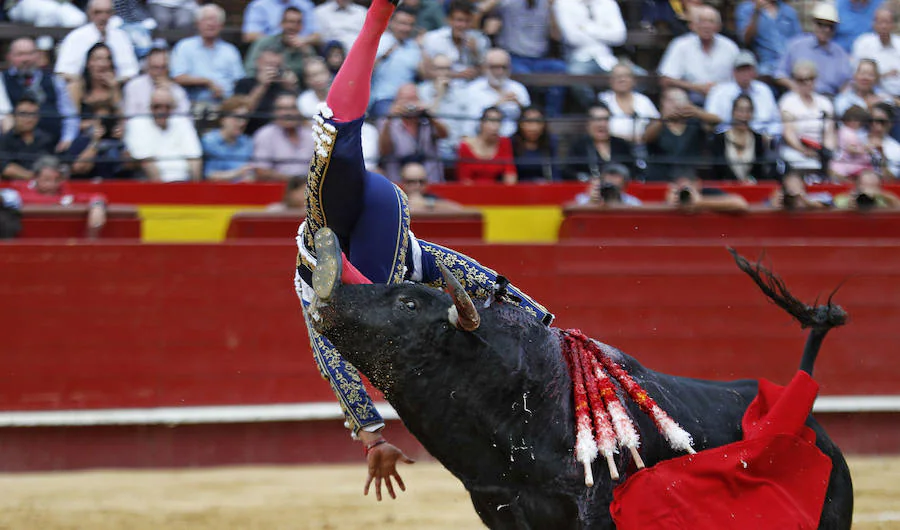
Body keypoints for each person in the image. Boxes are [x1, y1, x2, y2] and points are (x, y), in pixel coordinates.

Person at [292, 0, 553, 500]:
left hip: (334, 240)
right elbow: (485, 279)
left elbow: (330, 358)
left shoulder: (399, 272)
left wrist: (372, 437)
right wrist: (542, 323)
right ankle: (377, 17)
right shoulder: (423, 261)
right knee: (336, 139)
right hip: (368, 222)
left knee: (334, 141)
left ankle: (344, 275)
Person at [3, 37, 79, 152]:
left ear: (38, 55)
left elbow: (69, 114)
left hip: (55, 145)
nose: (25, 59)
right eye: (20, 54)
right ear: (9, 57)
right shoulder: (2, 81)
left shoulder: (55, 80)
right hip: (16, 149)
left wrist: (67, 139)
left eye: (30, 54)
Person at [657, 5, 740, 105]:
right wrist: (696, 87)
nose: (706, 26)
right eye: (702, 21)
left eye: (711, 21)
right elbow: (665, 79)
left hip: (723, 97)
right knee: (674, 95)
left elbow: (740, 77)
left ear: (718, 27)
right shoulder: (680, 45)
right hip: (690, 96)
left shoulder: (730, 47)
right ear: (693, 26)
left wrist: (718, 88)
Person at [10, 155, 107, 237]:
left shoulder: (64, 189)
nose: (52, 184)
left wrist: (97, 206)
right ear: (36, 177)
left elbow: (94, 197)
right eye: (47, 180)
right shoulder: (19, 190)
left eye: (56, 180)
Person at [554, 0, 626, 109]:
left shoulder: (608, 3)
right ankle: (596, 110)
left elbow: (620, 36)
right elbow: (573, 38)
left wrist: (588, 28)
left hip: (606, 58)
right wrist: (606, 32)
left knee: (638, 77)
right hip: (578, 56)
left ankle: (612, 107)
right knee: (576, 76)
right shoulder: (563, 3)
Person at [170, 4, 246, 104]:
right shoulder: (184, 46)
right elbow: (178, 77)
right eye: (206, 19)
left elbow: (239, 80)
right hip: (193, 103)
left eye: (215, 20)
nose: (210, 24)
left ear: (221, 25)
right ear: (197, 23)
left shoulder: (230, 50)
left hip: (226, 103)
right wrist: (207, 82)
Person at [124, 87, 203, 182]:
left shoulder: (183, 122)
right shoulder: (137, 123)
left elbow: (195, 157)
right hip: (153, 185)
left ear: (173, 108)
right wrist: (163, 191)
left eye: (167, 107)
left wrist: (195, 189)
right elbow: (146, 160)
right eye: (157, 106)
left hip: (184, 182)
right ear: (150, 107)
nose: (162, 111)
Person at [643, 87, 721, 182]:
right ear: (662, 103)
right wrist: (664, 119)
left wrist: (697, 112)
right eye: (671, 101)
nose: (676, 105)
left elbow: (717, 121)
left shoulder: (695, 124)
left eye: (680, 101)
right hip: (660, 176)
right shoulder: (656, 123)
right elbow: (647, 138)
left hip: (689, 176)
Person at [775, 2, 853, 97]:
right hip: (800, 96)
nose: (826, 30)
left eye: (830, 26)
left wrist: (842, 96)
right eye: (821, 25)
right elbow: (780, 74)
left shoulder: (840, 53)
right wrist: (795, 88)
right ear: (814, 24)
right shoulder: (796, 45)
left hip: (828, 98)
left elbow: (847, 82)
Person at [54, 0, 140, 83]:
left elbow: (131, 70)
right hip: (84, 90)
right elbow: (63, 71)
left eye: (107, 12)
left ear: (112, 14)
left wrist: (114, 82)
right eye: (98, 12)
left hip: (117, 89)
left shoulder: (121, 37)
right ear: (89, 13)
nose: (103, 17)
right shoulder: (76, 37)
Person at [377, 84, 446, 183]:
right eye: (404, 99)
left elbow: (444, 135)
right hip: (397, 182)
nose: (409, 104)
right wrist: (390, 119)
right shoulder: (386, 121)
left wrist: (429, 115)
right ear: (396, 102)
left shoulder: (429, 119)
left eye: (413, 99)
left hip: (430, 181)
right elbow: (384, 150)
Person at [778, 60, 837, 175]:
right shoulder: (788, 101)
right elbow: (788, 132)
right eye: (801, 80)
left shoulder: (824, 102)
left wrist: (827, 152)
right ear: (795, 81)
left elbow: (829, 133)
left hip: (820, 150)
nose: (807, 83)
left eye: (811, 78)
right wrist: (803, 150)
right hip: (796, 150)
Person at [704, 50, 781, 138]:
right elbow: (711, 122)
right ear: (733, 72)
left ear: (754, 72)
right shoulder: (719, 92)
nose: (745, 74)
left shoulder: (764, 90)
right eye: (741, 70)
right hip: (727, 140)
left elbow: (775, 121)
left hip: (760, 140)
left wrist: (771, 137)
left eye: (748, 70)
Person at [709, 94, 775, 183]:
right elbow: (716, 171)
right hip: (725, 191)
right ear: (733, 112)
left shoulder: (758, 139)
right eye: (740, 110)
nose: (744, 115)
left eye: (748, 111)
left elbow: (759, 171)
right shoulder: (720, 138)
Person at [234, 49, 300, 136]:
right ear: (258, 63)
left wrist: (292, 87)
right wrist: (262, 85)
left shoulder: (282, 85)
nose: (273, 69)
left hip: (282, 133)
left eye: (277, 66)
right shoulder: (244, 83)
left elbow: (297, 111)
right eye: (269, 65)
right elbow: (242, 112)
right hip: (251, 131)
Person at [565, 102, 635, 181]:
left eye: (606, 119)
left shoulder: (622, 145)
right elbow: (570, 174)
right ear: (588, 123)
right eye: (597, 120)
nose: (602, 124)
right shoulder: (578, 147)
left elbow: (633, 172)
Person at [252, 92, 314, 181]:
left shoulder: (311, 134)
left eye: (293, 108)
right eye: (282, 109)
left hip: (311, 189)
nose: (288, 113)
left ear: (299, 112)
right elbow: (261, 171)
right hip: (277, 188)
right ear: (274, 112)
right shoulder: (265, 135)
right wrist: (295, 181)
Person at [244, 7, 318, 80]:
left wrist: (305, 51)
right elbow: (250, 69)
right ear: (281, 23)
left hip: (297, 87)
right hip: (267, 85)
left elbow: (317, 72)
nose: (294, 26)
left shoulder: (305, 47)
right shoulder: (264, 43)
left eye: (298, 22)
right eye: (290, 22)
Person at [735, 0, 802, 79]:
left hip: (789, 65)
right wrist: (756, 12)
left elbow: (798, 41)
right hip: (764, 66)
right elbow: (745, 39)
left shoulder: (788, 11)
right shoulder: (746, 9)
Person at [598, 62, 661, 144]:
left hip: (640, 146)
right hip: (612, 147)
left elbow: (656, 122)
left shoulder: (643, 100)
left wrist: (643, 138)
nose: (622, 80)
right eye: (617, 76)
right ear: (610, 81)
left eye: (626, 76)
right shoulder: (603, 100)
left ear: (634, 81)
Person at [122, 48, 191, 119]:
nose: (159, 72)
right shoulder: (133, 86)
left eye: (163, 67)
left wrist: (170, 96)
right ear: (147, 67)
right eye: (155, 67)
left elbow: (185, 117)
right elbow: (129, 116)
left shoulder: (177, 90)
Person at [456, 106, 517, 184]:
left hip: (497, 192)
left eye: (499, 122)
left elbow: (510, 174)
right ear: (481, 123)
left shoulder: (504, 142)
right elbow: (464, 180)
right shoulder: (465, 145)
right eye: (491, 121)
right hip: (472, 192)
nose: (495, 127)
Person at [0, 94, 55, 180]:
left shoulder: (46, 139)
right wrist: (32, 177)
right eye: (23, 114)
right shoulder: (4, 140)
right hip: (13, 188)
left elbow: (53, 164)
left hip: (43, 189)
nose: (28, 119)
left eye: (32, 114)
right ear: (14, 116)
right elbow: (5, 168)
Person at [851, 8, 900, 103]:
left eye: (887, 22)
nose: (884, 26)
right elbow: (857, 75)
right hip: (874, 96)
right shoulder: (864, 43)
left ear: (893, 25)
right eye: (880, 22)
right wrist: (883, 75)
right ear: (874, 24)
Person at [202, 96, 255, 181]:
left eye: (245, 118)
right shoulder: (209, 141)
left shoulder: (247, 142)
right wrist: (237, 173)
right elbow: (209, 175)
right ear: (223, 119)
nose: (242, 123)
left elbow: (251, 173)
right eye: (237, 118)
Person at [67, 43, 122, 120]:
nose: (103, 64)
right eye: (98, 59)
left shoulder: (117, 86)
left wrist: (114, 88)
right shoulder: (77, 87)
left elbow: (122, 118)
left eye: (108, 59)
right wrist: (91, 125)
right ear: (88, 63)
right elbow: (71, 121)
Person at [665, 169, 750, 212]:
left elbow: (741, 204)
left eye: (687, 188)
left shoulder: (707, 192)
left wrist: (701, 203)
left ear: (697, 184)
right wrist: (670, 202)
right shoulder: (674, 195)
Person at [511, 106, 560, 182]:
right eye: (529, 122)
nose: (534, 127)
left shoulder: (549, 142)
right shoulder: (512, 143)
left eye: (538, 122)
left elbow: (555, 173)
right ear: (520, 124)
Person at [399, 161, 466, 213]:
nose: (417, 185)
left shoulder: (431, 198)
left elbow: (459, 209)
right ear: (403, 183)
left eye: (421, 182)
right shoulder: (396, 198)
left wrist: (427, 203)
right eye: (411, 182)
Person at [567, 162, 642, 208]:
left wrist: (616, 203)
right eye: (610, 175)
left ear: (625, 185)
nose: (612, 180)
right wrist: (592, 202)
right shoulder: (584, 198)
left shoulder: (633, 202)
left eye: (616, 176)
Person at [831, 105, 874, 180]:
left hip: (852, 164)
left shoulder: (848, 132)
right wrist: (865, 150)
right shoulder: (847, 132)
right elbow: (851, 149)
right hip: (849, 165)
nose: (859, 124)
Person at [833, 169, 900, 209]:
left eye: (873, 186)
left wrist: (882, 195)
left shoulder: (885, 198)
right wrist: (850, 204)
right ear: (858, 185)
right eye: (865, 185)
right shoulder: (844, 198)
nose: (868, 189)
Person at [768, 170, 833, 209]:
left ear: (802, 185)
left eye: (795, 184)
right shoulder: (782, 200)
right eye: (789, 187)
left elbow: (826, 208)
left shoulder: (820, 196)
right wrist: (774, 204)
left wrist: (803, 199)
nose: (792, 188)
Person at [868, 102, 900, 179]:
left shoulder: (896, 149)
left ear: (890, 123)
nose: (875, 124)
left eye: (880, 121)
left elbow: (891, 180)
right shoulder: (857, 138)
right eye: (871, 120)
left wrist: (881, 157)